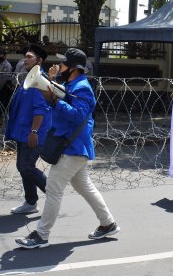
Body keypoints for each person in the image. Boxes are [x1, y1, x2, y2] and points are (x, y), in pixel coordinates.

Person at [16, 48, 120, 248]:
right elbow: (64, 101)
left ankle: (41, 234)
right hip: (73, 147)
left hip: (73, 147)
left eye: (63, 64)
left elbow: (78, 115)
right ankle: (108, 223)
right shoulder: (72, 83)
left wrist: (54, 99)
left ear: (74, 68)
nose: (60, 66)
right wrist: (53, 84)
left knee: (53, 189)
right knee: (85, 187)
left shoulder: (82, 87)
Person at [5, 45, 53, 214]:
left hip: (33, 134)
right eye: (25, 57)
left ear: (39, 61)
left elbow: (41, 110)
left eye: (29, 57)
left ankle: (53, 194)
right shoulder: (29, 80)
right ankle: (31, 202)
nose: (25, 59)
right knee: (24, 166)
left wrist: (34, 132)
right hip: (22, 132)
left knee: (26, 166)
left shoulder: (40, 81)